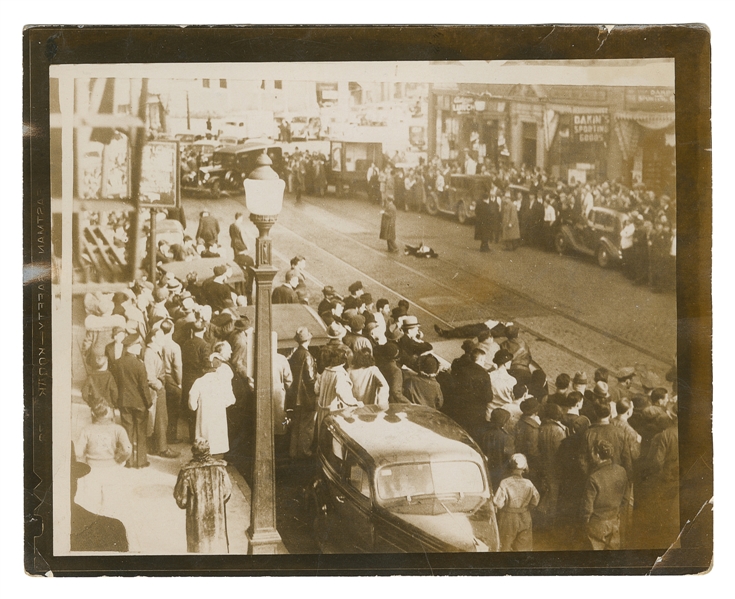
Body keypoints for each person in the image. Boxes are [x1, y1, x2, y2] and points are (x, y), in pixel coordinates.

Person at [174, 438, 233, 554]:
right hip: (216, 518)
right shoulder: (220, 468)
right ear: (209, 450)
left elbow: (181, 500)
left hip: (196, 523)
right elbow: (227, 492)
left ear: (193, 451)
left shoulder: (187, 471)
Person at [74, 402, 132, 518]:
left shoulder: (87, 430)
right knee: (111, 504)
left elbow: (78, 452)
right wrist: (121, 460)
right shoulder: (118, 429)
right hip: (112, 469)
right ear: (109, 413)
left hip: (91, 470)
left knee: (91, 504)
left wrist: (84, 460)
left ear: (93, 413)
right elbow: (127, 449)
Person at [70, 447, 129, 552]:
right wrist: (117, 461)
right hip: (110, 468)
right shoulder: (112, 530)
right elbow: (126, 450)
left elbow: (80, 449)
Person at [188, 342, 236, 457]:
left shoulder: (199, 381)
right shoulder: (221, 383)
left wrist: (195, 407)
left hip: (204, 416)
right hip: (218, 416)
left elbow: (192, 404)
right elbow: (230, 400)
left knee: (203, 440)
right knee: (218, 442)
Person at [581, 439, 629, 550]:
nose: (591, 455)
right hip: (615, 522)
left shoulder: (594, 477)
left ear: (597, 455)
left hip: (597, 524)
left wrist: (585, 523)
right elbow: (625, 499)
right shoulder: (622, 471)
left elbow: (587, 508)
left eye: (592, 453)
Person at [115, 334, 152, 469]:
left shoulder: (118, 363)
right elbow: (144, 387)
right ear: (133, 347)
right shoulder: (139, 365)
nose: (140, 348)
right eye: (138, 345)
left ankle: (128, 461)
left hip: (124, 402)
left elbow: (116, 383)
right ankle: (141, 461)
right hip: (140, 404)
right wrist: (149, 403)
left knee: (127, 431)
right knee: (141, 432)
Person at [144, 326, 179, 459]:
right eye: (160, 336)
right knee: (160, 420)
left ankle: (156, 447)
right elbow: (149, 376)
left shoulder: (154, 351)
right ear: (153, 338)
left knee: (160, 420)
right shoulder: (149, 353)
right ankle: (162, 449)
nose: (163, 338)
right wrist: (159, 386)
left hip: (158, 389)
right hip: (156, 391)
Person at [493, 453, 540, 552]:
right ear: (524, 468)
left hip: (508, 518)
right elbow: (535, 501)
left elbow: (498, 503)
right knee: (524, 548)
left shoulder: (505, 482)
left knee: (504, 546)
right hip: (525, 517)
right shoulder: (529, 484)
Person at [287, 327, 319, 458]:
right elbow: (310, 378)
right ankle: (305, 452)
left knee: (296, 426)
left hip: (295, 396)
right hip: (306, 397)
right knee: (307, 426)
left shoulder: (295, 354)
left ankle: (293, 451)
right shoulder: (307, 355)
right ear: (309, 339)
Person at [315, 346, 362, 433]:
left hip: (322, 410)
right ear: (344, 362)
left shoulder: (325, 371)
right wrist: (355, 403)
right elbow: (342, 393)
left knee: (321, 434)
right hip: (334, 412)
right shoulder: (340, 375)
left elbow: (316, 389)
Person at [451, 347, 493, 443]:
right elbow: (488, 397)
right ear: (481, 359)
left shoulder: (462, 370)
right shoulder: (484, 374)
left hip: (461, 408)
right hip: (476, 412)